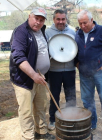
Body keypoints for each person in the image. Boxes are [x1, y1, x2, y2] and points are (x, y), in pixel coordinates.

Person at [9, 7, 55, 140]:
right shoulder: (21, 32)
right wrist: (33, 75)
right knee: (26, 112)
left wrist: (40, 74)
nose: (38, 22)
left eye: (41, 20)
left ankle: (41, 132)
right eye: (36, 18)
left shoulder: (42, 31)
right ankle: (28, 137)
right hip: (25, 79)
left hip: (40, 78)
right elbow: (18, 56)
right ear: (29, 16)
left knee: (41, 106)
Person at [75, 10, 102, 140]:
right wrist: (77, 64)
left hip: (101, 73)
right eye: (80, 23)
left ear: (91, 20)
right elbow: (74, 51)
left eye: (85, 23)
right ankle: (91, 124)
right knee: (87, 101)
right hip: (84, 74)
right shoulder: (77, 34)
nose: (83, 26)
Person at [45, 9, 76, 131]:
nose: (61, 21)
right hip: (53, 70)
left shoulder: (72, 32)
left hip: (69, 69)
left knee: (71, 95)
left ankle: (72, 117)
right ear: (54, 19)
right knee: (54, 96)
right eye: (58, 19)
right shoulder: (47, 32)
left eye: (63, 19)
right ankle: (52, 119)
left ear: (66, 19)